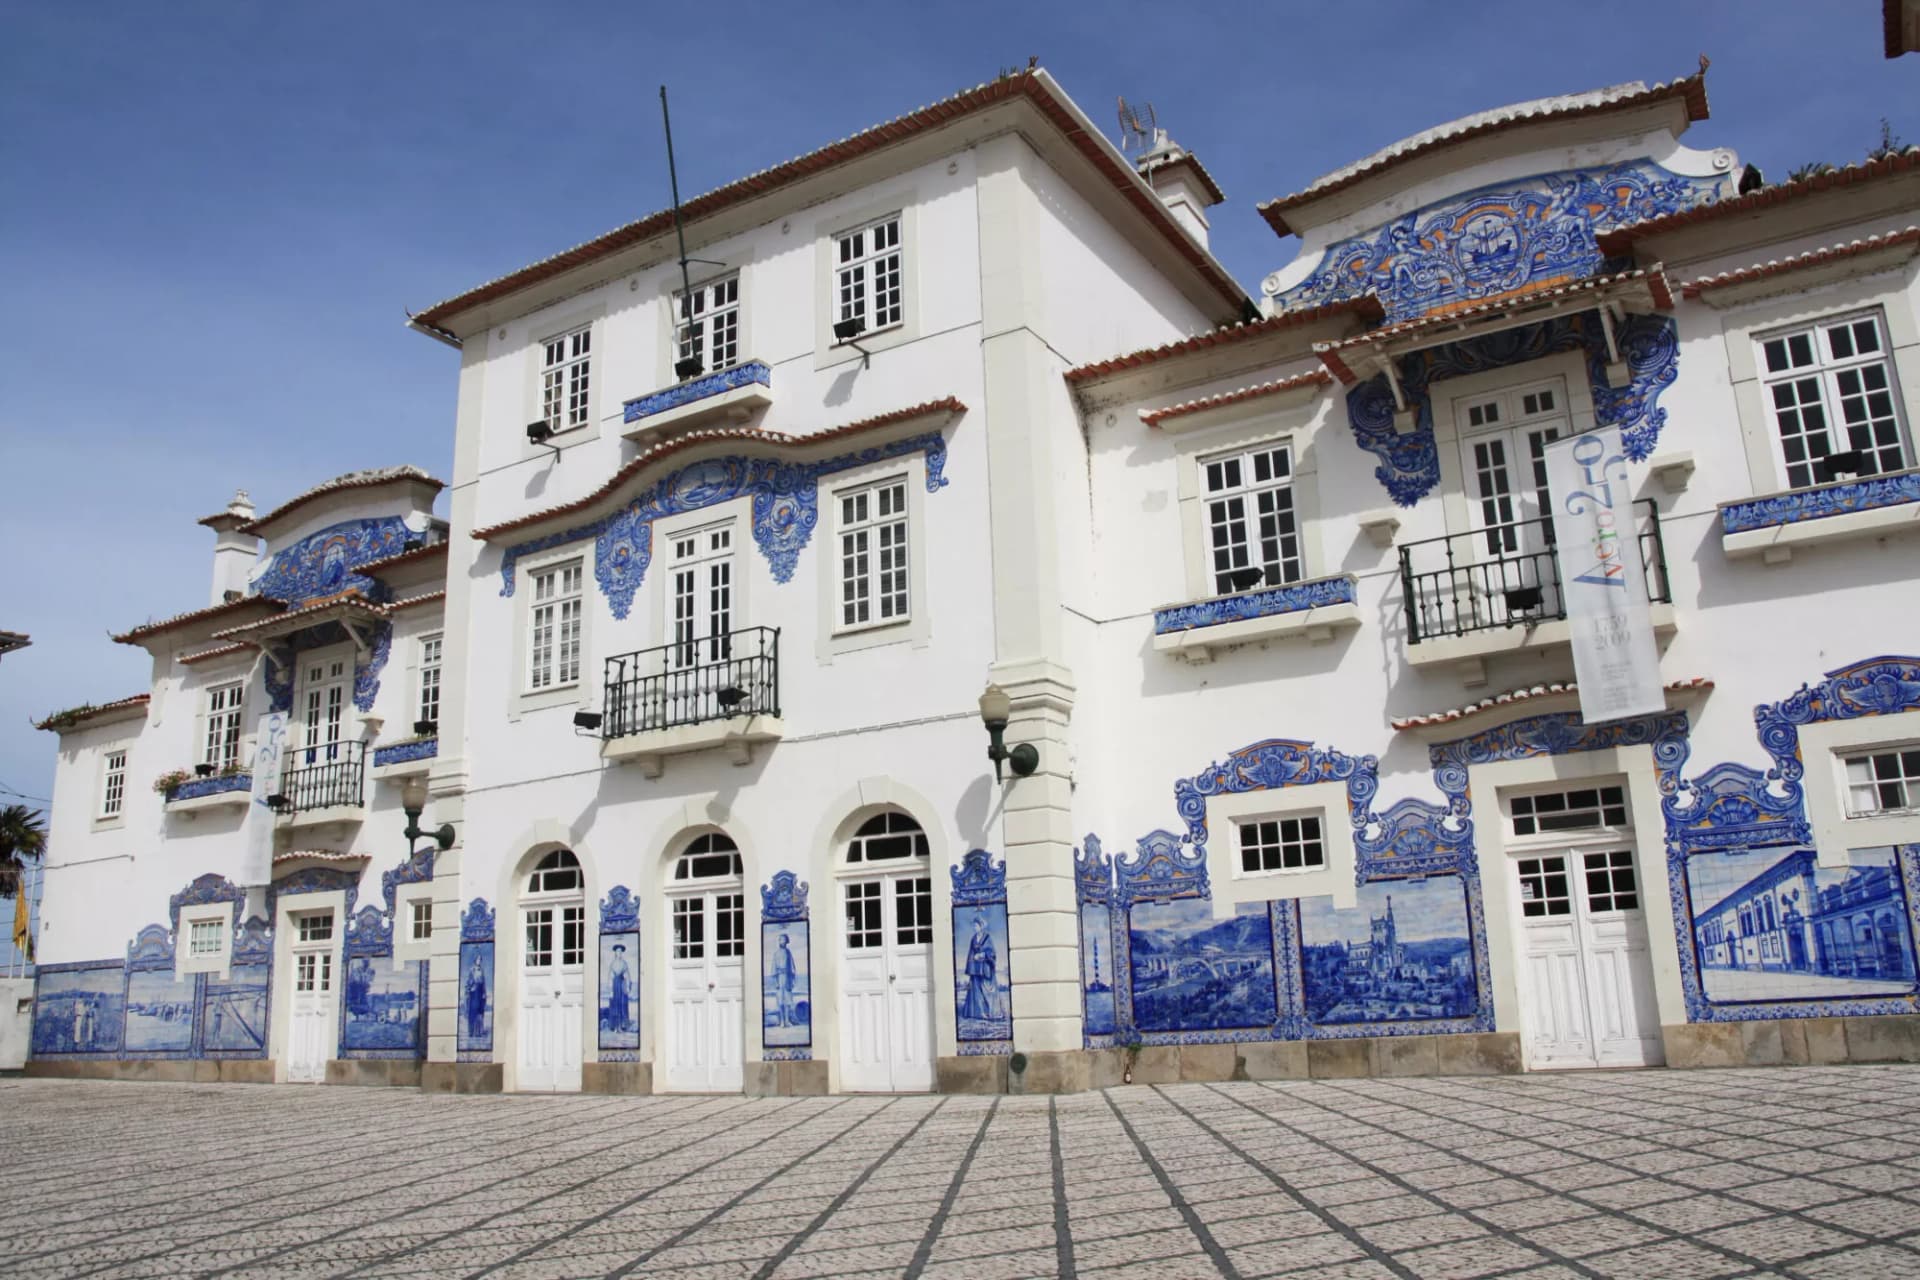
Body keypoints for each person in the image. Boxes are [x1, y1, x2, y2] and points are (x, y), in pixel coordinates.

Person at [961, 912, 998, 1022]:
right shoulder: (973, 939)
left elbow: (992, 953)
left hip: (985, 968)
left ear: (981, 926)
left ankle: (989, 1012)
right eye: (973, 926)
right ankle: (977, 1013)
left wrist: (983, 955)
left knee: (985, 990)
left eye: (976, 925)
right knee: (975, 991)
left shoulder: (987, 937)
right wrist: (971, 964)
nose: (974, 927)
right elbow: (970, 953)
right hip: (975, 969)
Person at [771, 933, 798, 1027]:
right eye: (779, 940)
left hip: (787, 978)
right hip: (779, 977)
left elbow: (792, 967)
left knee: (787, 1001)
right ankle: (782, 1021)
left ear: (786, 941)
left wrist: (792, 980)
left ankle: (787, 1020)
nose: (781, 941)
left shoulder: (788, 953)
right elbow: (773, 968)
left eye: (782, 940)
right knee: (780, 1001)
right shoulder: (776, 954)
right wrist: (775, 982)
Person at [605, 944, 632, 1033]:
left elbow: (627, 975)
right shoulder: (613, 964)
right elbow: (609, 977)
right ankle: (614, 1026)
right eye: (617, 951)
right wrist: (610, 990)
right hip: (615, 985)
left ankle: (622, 1026)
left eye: (620, 951)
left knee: (622, 1005)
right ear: (615, 953)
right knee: (614, 1005)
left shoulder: (624, 963)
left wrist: (628, 986)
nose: (619, 953)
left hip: (622, 985)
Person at [464, 953, 488, 1040]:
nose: (479, 961)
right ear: (475, 960)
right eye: (478, 959)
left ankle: (479, 1032)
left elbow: (484, 982)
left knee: (480, 1013)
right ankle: (471, 1032)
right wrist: (470, 988)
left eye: (480, 959)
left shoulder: (482, 971)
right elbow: (468, 982)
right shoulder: (472, 970)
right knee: (473, 1012)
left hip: (480, 992)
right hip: (474, 992)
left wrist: (484, 993)